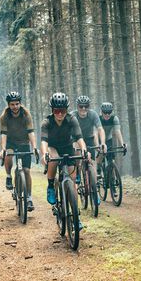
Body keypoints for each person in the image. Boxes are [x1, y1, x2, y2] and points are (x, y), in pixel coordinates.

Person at [40, 92, 89, 228]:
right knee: (54, 158)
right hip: (52, 147)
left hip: (67, 148)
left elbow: (79, 138)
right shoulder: (47, 122)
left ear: (66, 110)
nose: (60, 114)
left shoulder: (72, 119)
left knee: (73, 183)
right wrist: (44, 154)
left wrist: (84, 149)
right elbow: (43, 141)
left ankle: (76, 216)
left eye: (62, 111)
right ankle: (51, 185)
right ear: (52, 110)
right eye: (57, 111)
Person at [0, 91, 38, 211]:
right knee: (8, 155)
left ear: (20, 104)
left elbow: (31, 132)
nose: (15, 107)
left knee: (26, 170)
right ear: (8, 105)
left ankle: (29, 197)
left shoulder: (26, 114)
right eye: (12, 104)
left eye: (17, 104)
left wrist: (34, 147)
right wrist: (3, 149)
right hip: (10, 142)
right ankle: (9, 176)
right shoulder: (4, 116)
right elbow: (3, 134)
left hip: (24, 143)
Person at [98, 102, 125, 171]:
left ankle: (112, 174)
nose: (107, 114)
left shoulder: (114, 118)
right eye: (105, 112)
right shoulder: (98, 119)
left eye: (109, 112)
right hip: (98, 140)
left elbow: (117, 131)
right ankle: (98, 170)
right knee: (100, 155)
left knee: (111, 158)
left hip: (108, 139)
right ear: (101, 112)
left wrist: (122, 144)